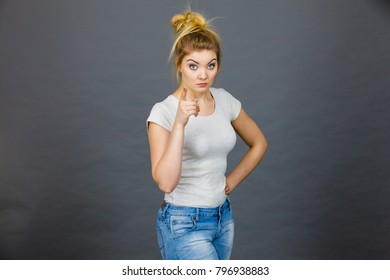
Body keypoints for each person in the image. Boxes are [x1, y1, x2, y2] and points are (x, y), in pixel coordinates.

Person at [146, 8, 268, 260]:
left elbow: (259, 143)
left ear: (218, 66)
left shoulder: (225, 101)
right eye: (194, 66)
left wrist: (231, 181)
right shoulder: (164, 112)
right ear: (180, 65)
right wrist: (179, 124)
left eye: (210, 65)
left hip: (223, 217)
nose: (203, 75)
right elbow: (165, 183)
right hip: (184, 222)